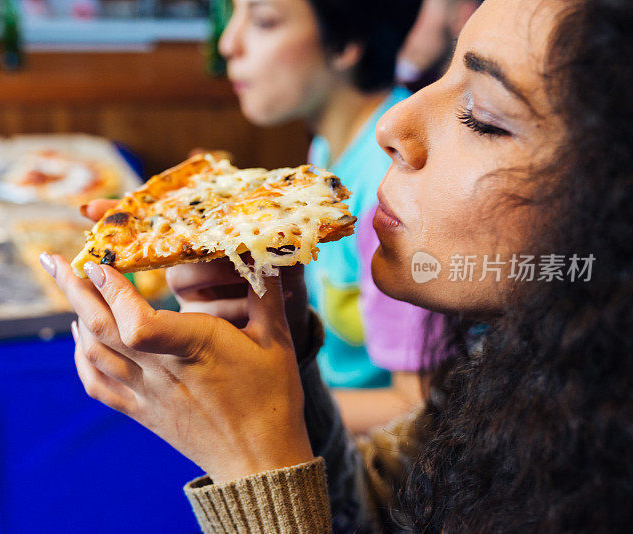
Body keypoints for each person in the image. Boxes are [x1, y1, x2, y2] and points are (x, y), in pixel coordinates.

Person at [40, 0, 633, 530]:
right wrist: (290, 365)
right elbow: (390, 507)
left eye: (481, 116)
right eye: (442, 74)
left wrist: (254, 461)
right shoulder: (521, 372)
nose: (390, 127)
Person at [215, 0, 429, 433]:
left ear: (347, 42)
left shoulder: (395, 189)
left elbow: (419, 407)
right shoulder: (330, 149)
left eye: (264, 21)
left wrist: (262, 403)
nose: (227, 44)